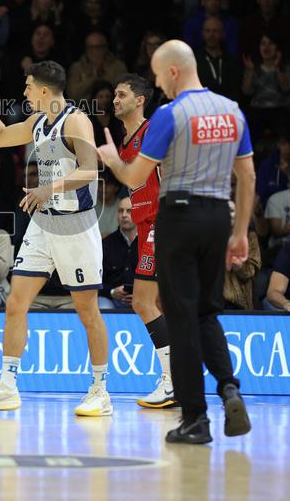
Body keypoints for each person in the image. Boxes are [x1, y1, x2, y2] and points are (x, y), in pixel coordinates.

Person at [96, 39, 254, 444]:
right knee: (205, 314)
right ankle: (229, 386)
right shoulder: (233, 111)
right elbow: (248, 177)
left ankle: (194, 417)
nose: (158, 85)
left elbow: (133, 179)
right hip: (219, 215)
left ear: (171, 72)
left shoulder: (169, 114)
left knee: (180, 319)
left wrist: (112, 158)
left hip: (176, 218)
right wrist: (240, 233)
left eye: (157, 74)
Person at [0, 61, 112, 417]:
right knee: (16, 301)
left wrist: (49, 188)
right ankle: (7, 387)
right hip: (44, 223)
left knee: (87, 309)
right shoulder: (37, 122)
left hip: (75, 225)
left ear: (45, 90)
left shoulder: (76, 120)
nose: (25, 93)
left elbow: (91, 169)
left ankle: (100, 390)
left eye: (29, 87)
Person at [112, 74, 176, 409]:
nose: (115, 100)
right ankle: (178, 380)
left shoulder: (153, 131)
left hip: (159, 224)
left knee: (141, 302)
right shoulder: (125, 141)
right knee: (162, 307)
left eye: (121, 94)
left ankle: (171, 382)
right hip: (144, 226)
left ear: (140, 100)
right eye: (113, 95)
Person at [100, 196, 138, 310]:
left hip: (142, 299)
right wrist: (111, 292)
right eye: (120, 211)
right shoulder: (106, 244)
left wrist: (141, 295)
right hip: (110, 299)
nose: (124, 215)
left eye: (129, 211)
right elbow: (94, 281)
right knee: (103, 308)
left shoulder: (148, 243)